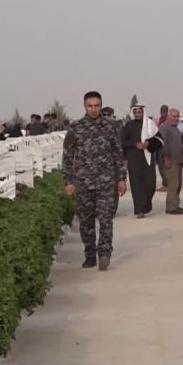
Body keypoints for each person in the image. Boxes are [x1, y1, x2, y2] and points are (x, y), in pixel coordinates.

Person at [63, 91, 127, 271]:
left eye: (96, 105)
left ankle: (104, 253)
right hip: (83, 183)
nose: (93, 109)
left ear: (101, 106)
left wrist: (121, 178)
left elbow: (118, 155)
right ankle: (90, 254)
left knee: (106, 219)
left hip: (106, 182)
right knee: (86, 221)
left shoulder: (111, 127)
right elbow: (67, 157)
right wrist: (68, 181)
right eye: (90, 106)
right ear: (85, 106)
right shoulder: (75, 128)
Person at [122, 104, 162, 218]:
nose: (137, 114)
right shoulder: (128, 126)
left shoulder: (150, 124)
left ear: (143, 112)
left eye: (139, 112)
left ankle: (146, 206)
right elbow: (123, 142)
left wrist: (149, 143)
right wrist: (135, 144)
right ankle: (139, 209)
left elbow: (159, 139)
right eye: (135, 112)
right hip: (134, 158)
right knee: (136, 185)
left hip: (148, 158)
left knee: (150, 183)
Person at [159, 108, 183, 214]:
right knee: (173, 185)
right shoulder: (164, 127)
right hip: (170, 160)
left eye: (177, 116)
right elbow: (162, 144)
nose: (176, 118)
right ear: (168, 116)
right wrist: (166, 157)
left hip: (178, 160)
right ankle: (170, 207)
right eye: (174, 116)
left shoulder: (176, 128)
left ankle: (175, 204)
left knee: (178, 185)